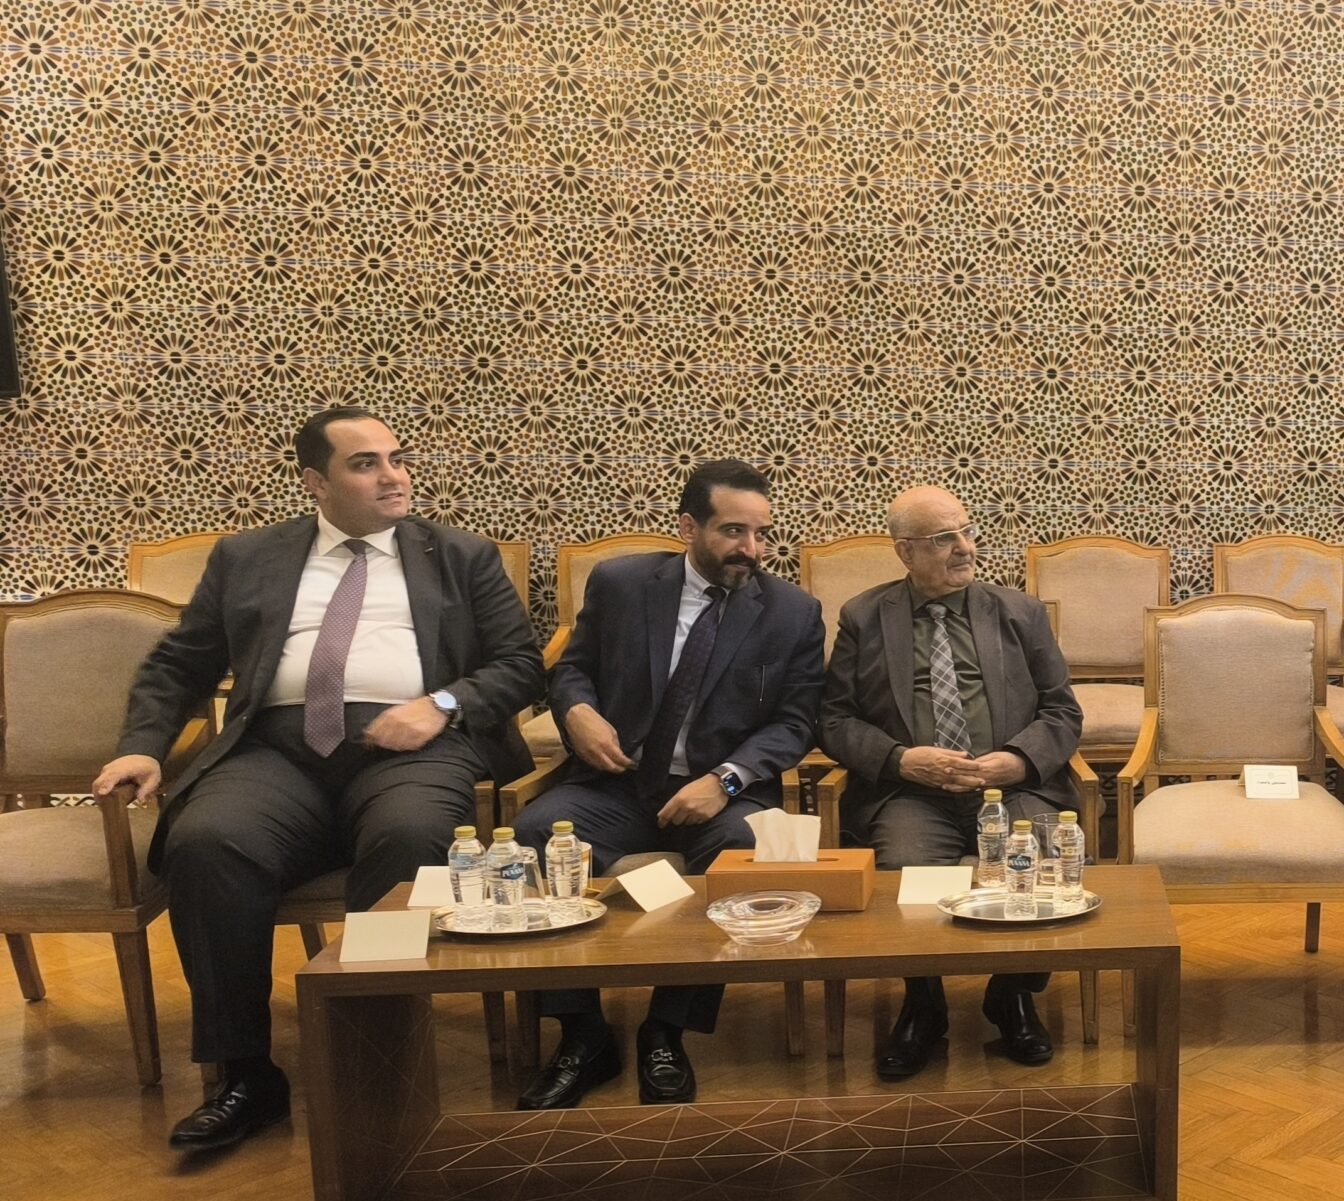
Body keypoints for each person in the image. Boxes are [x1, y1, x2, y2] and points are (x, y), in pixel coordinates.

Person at [95, 407, 543, 1152]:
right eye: (366, 463)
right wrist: (145, 746)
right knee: (208, 841)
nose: (393, 475)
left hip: (414, 746)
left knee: (411, 835)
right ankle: (245, 1076)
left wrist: (439, 704)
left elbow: (520, 665)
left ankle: (376, 1061)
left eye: (397, 458)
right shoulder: (248, 556)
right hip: (276, 751)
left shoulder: (460, 554)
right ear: (316, 482)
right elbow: (181, 663)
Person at [513, 459, 826, 1109]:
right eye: (733, 531)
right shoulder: (622, 584)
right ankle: (582, 1033)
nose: (752, 549)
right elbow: (571, 670)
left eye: (761, 533)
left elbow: (796, 723)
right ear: (687, 527)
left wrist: (725, 779)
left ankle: (666, 1029)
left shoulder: (792, 612)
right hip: (618, 784)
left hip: (721, 793)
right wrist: (578, 711)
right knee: (535, 834)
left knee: (743, 849)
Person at [819, 485, 1083, 1081]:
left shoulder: (1020, 613)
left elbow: (1062, 711)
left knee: (1041, 867)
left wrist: (1017, 760)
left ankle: (1012, 995)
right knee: (905, 872)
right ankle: (924, 1003)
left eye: (967, 530)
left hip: (1010, 788)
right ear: (905, 552)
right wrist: (899, 759)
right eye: (944, 539)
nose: (965, 547)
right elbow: (833, 720)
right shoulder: (864, 617)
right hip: (913, 793)